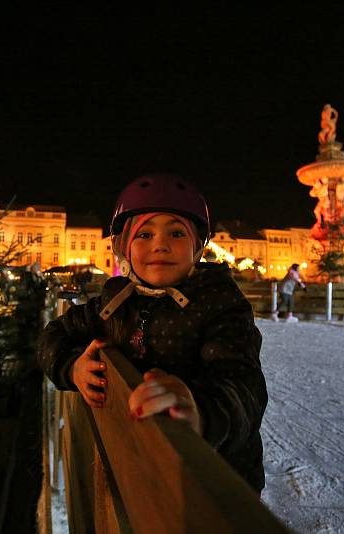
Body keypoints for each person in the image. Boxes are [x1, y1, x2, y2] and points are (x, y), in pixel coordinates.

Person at [37, 174, 267, 492]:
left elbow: (243, 385)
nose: (160, 243)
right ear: (123, 248)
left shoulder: (220, 303)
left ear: (197, 248)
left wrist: (202, 413)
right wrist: (71, 367)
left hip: (213, 483)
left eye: (175, 232)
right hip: (136, 471)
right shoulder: (115, 300)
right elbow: (54, 334)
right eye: (144, 234)